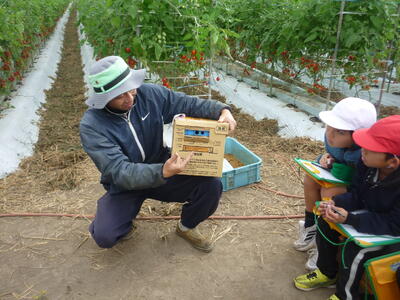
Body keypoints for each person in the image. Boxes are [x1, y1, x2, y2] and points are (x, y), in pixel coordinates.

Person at [79, 55, 236, 252]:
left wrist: (222, 110)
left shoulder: (149, 95)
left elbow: (187, 103)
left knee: (211, 185)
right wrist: (162, 171)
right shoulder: (92, 125)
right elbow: (118, 171)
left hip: (161, 167)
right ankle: (125, 220)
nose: (129, 99)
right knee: (105, 235)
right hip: (126, 184)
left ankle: (186, 227)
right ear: (104, 98)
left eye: (131, 90)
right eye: (119, 96)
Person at [293, 115, 400, 300]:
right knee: (325, 218)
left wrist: (351, 219)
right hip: (374, 217)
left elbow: (394, 224)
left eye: (369, 148)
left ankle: (345, 296)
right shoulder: (367, 164)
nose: (362, 151)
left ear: (392, 162)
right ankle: (327, 272)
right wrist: (336, 202)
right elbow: (357, 194)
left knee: (356, 248)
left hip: (393, 230)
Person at [294, 97, 377, 270]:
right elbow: (330, 155)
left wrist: (352, 175)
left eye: (339, 132)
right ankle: (311, 226)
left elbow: (369, 185)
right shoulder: (333, 141)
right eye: (329, 126)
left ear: (358, 137)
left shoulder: (367, 154)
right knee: (310, 179)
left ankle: (325, 245)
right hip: (342, 182)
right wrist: (325, 159)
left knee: (329, 192)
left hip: (358, 193)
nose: (330, 134)